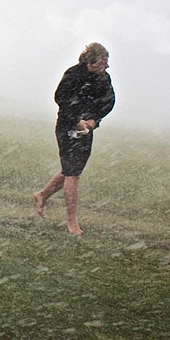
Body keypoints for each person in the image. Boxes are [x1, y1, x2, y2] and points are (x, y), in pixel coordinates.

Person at [34, 42, 115, 235]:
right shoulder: (73, 75)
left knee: (72, 168)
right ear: (90, 62)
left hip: (87, 128)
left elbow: (109, 101)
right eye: (103, 63)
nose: (107, 67)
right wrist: (77, 121)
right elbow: (61, 98)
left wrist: (94, 121)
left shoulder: (104, 79)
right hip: (67, 127)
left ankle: (42, 195)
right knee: (73, 174)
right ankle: (72, 223)